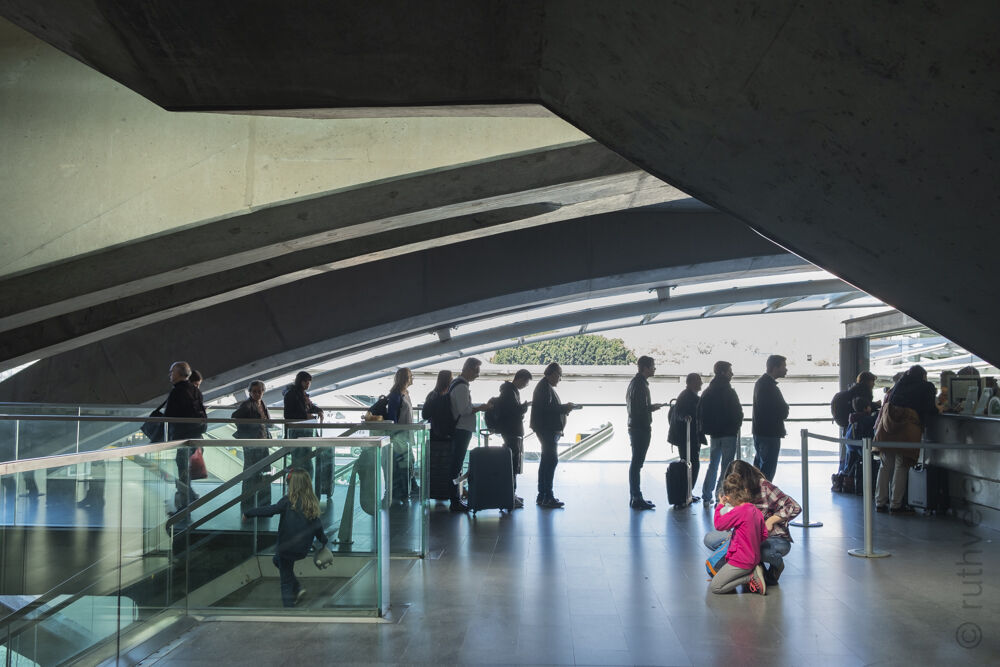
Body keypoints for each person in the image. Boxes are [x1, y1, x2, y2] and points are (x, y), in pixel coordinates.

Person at [704, 460, 800, 585]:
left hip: (772, 537)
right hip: (746, 537)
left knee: (761, 551)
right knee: (710, 539)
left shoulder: (764, 486)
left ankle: (776, 564)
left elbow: (794, 507)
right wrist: (723, 507)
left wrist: (771, 520)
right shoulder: (732, 490)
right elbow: (724, 520)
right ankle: (752, 569)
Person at [243, 469, 329, 608]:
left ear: (291, 484)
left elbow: (270, 510)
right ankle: (298, 588)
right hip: (302, 549)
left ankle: (289, 610)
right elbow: (318, 527)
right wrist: (324, 541)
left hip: (286, 548)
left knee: (285, 582)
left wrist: (249, 513)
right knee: (277, 561)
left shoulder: (288, 501)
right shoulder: (311, 504)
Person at [874, 365, 938, 515]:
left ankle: (880, 502)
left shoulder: (899, 384)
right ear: (923, 375)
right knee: (901, 465)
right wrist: (939, 409)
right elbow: (929, 408)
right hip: (907, 428)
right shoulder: (926, 386)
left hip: (888, 427)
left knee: (885, 465)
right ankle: (896, 504)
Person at [708, 473, 768, 595]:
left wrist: (719, 505)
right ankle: (750, 572)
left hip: (741, 561)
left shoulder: (739, 511)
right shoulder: (755, 510)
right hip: (754, 558)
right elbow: (764, 535)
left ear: (729, 497)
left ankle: (750, 577)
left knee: (716, 587)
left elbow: (719, 525)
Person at [530, 362, 576, 508]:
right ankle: (547, 496)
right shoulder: (545, 388)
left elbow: (548, 408)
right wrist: (565, 408)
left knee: (546, 461)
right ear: (553, 373)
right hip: (547, 430)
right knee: (551, 461)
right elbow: (549, 409)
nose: (560, 379)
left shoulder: (544, 386)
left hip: (545, 429)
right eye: (559, 375)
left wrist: (563, 408)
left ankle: (542, 495)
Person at [697, 361, 743, 503]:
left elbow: (701, 411)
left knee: (713, 465)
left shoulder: (708, 391)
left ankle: (706, 495)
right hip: (729, 433)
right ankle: (720, 496)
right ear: (723, 372)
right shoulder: (729, 391)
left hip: (714, 434)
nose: (732, 373)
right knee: (727, 467)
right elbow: (737, 413)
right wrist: (736, 426)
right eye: (730, 371)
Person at [448, 358, 490, 512]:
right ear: (469, 369)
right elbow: (464, 410)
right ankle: (455, 500)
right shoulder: (462, 387)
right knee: (456, 466)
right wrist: (480, 408)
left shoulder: (457, 385)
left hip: (459, 429)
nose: (477, 375)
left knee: (456, 465)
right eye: (476, 371)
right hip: (461, 429)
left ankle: (456, 497)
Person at [164, 361, 207, 511]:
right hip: (195, 435)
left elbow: (169, 415)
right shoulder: (196, 391)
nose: (170, 375)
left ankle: (185, 499)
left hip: (181, 436)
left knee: (181, 465)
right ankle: (188, 494)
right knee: (184, 465)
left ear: (180, 374)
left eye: (172, 372)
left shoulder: (176, 392)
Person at [625, 356, 663, 510]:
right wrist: (651, 408)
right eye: (653, 366)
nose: (654, 369)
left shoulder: (636, 383)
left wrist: (650, 407)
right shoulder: (640, 385)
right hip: (640, 428)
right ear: (645, 368)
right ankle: (636, 496)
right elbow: (639, 409)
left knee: (636, 462)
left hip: (636, 427)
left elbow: (636, 407)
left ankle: (636, 496)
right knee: (637, 463)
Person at [493, 368, 532, 509]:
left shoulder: (508, 391)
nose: (525, 385)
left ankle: (511, 494)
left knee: (513, 463)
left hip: (509, 431)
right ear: (520, 378)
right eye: (525, 382)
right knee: (512, 464)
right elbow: (513, 411)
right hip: (512, 431)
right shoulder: (510, 392)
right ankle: (510, 495)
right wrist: (524, 408)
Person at [232, 380, 273, 515]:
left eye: (259, 391)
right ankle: (249, 503)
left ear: (263, 392)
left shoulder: (261, 404)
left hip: (261, 442)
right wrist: (249, 430)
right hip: (253, 443)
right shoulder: (247, 405)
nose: (256, 394)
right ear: (249, 392)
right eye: (254, 391)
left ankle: (259, 502)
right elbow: (235, 417)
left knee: (261, 472)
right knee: (251, 473)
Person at [667, 372, 705, 502]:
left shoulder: (688, 396)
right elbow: (679, 413)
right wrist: (685, 418)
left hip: (688, 437)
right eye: (698, 380)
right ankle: (686, 492)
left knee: (691, 464)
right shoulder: (686, 397)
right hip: (687, 438)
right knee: (691, 464)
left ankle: (687, 492)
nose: (701, 383)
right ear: (691, 383)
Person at [752, 354, 789, 482]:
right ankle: (763, 498)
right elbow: (783, 411)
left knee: (759, 468)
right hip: (769, 434)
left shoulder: (761, 383)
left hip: (760, 432)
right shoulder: (770, 387)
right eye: (784, 366)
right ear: (775, 367)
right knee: (767, 469)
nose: (786, 369)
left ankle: (756, 497)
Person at [283, 371, 324, 478]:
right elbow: (288, 414)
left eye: (309, 382)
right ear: (300, 381)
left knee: (305, 461)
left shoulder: (301, 394)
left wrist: (319, 410)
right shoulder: (292, 394)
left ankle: (304, 486)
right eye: (306, 381)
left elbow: (310, 406)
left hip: (305, 431)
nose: (308, 384)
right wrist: (306, 416)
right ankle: (301, 487)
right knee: (300, 461)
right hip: (297, 432)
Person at [386, 367, 416, 501]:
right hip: (399, 436)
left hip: (405, 435)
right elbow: (393, 418)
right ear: (405, 378)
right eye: (410, 376)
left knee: (409, 461)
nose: (412, 378)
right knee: (403, 463)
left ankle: (408, 487)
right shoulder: (396, 395)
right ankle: (402, 491)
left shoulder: (405, 393)